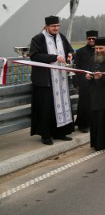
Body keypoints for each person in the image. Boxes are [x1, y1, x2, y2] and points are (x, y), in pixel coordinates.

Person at [29, 15, 75, 145]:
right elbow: (34, 56)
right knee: (47, 109)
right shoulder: (38, 39)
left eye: (58, 26)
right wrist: (54, 57)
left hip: (61, 80)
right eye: (53, 26)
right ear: (47, 26)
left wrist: (71, 54)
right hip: (45, 81)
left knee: (61, 106)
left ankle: (60, 132)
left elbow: (70, 49)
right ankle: (46, 135)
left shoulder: (62, 38)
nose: (56, 28)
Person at [73, 30, 98, 133]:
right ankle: (82, 124)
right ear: (86, 39)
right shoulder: (80, 52)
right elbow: (76, 68)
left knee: (95, 102)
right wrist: (76, 83)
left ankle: (93, 123)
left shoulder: (100, 50)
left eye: (93, 39)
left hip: (96, 81)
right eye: (89, 39)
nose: (91, 40)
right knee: (84, 103)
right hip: (84, 81)